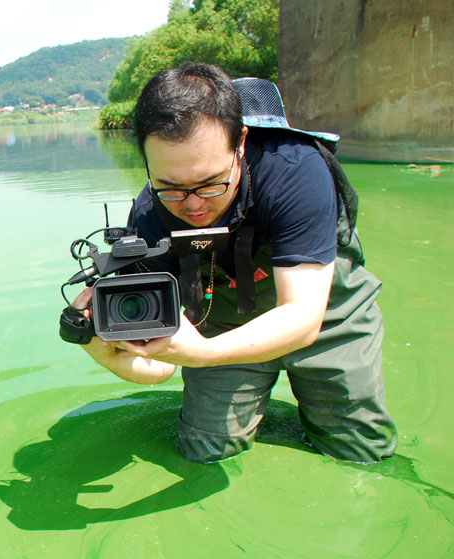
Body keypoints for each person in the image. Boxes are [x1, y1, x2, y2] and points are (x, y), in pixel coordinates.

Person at [71, 62, 396, 464]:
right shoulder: (148, 215)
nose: (192, 205)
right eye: (171, 188)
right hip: (220, 320)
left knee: (359, 450)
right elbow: (163, 367)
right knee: (205, 451)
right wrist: (107, 353)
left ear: (240, 141)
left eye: (210, 184)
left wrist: (203, 354)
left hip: (327, 313)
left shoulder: (294, 169)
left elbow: (304, 317)